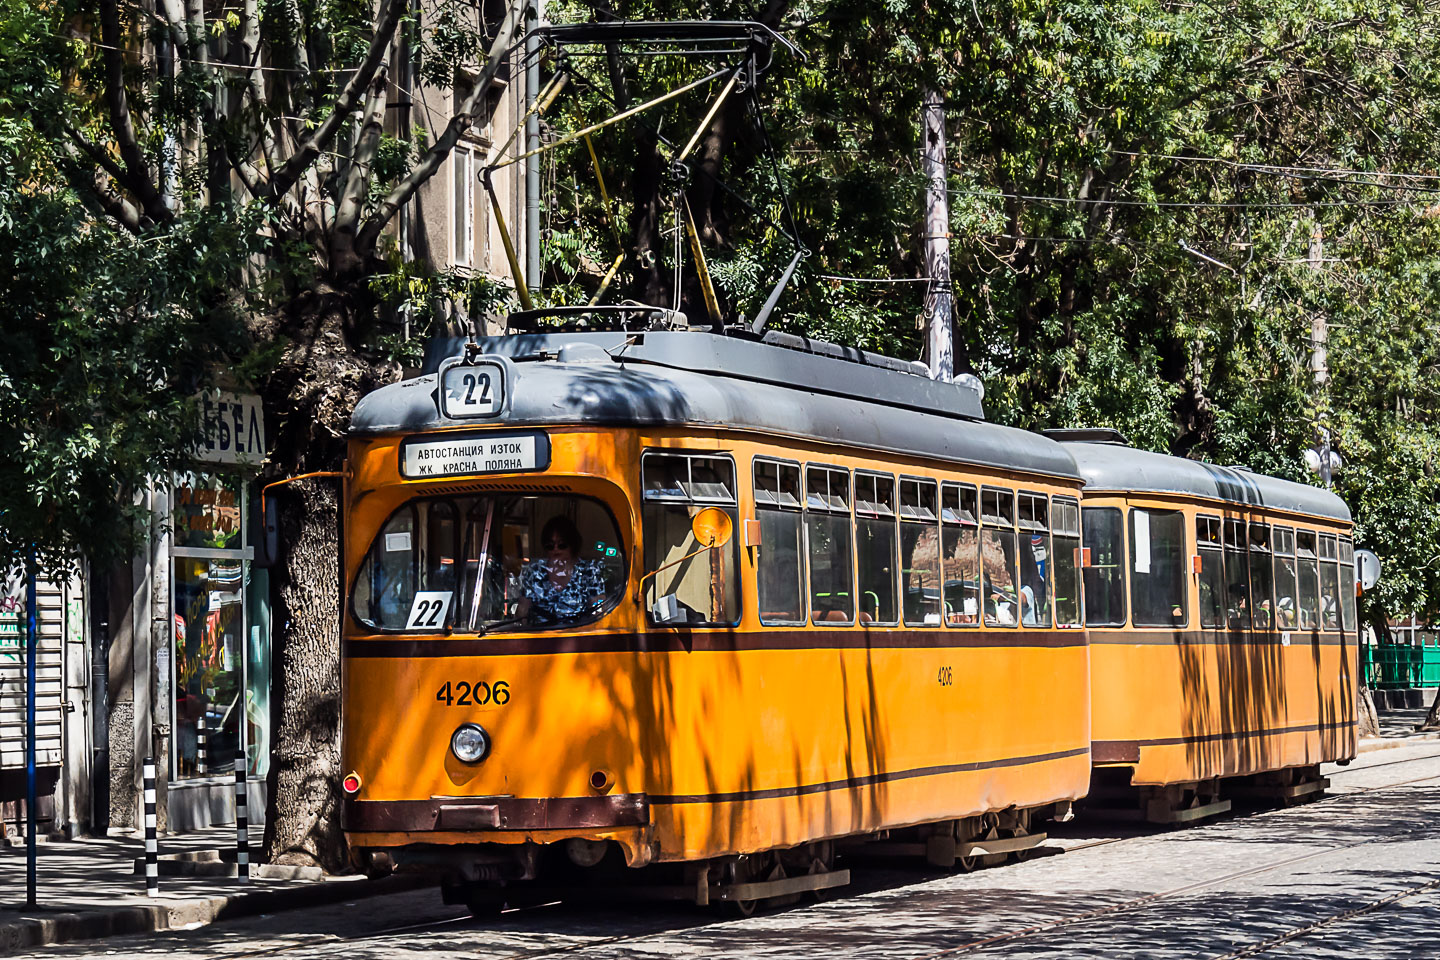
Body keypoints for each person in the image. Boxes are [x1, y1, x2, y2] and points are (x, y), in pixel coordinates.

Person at [518, 516, 609, 622]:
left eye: (562, 545)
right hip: (540, 635)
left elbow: (598, 609)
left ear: (573, 545)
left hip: (578, 635)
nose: (555, 549)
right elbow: (522, 611)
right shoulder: (534, 572)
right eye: (550, 545)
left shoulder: (589, 571)